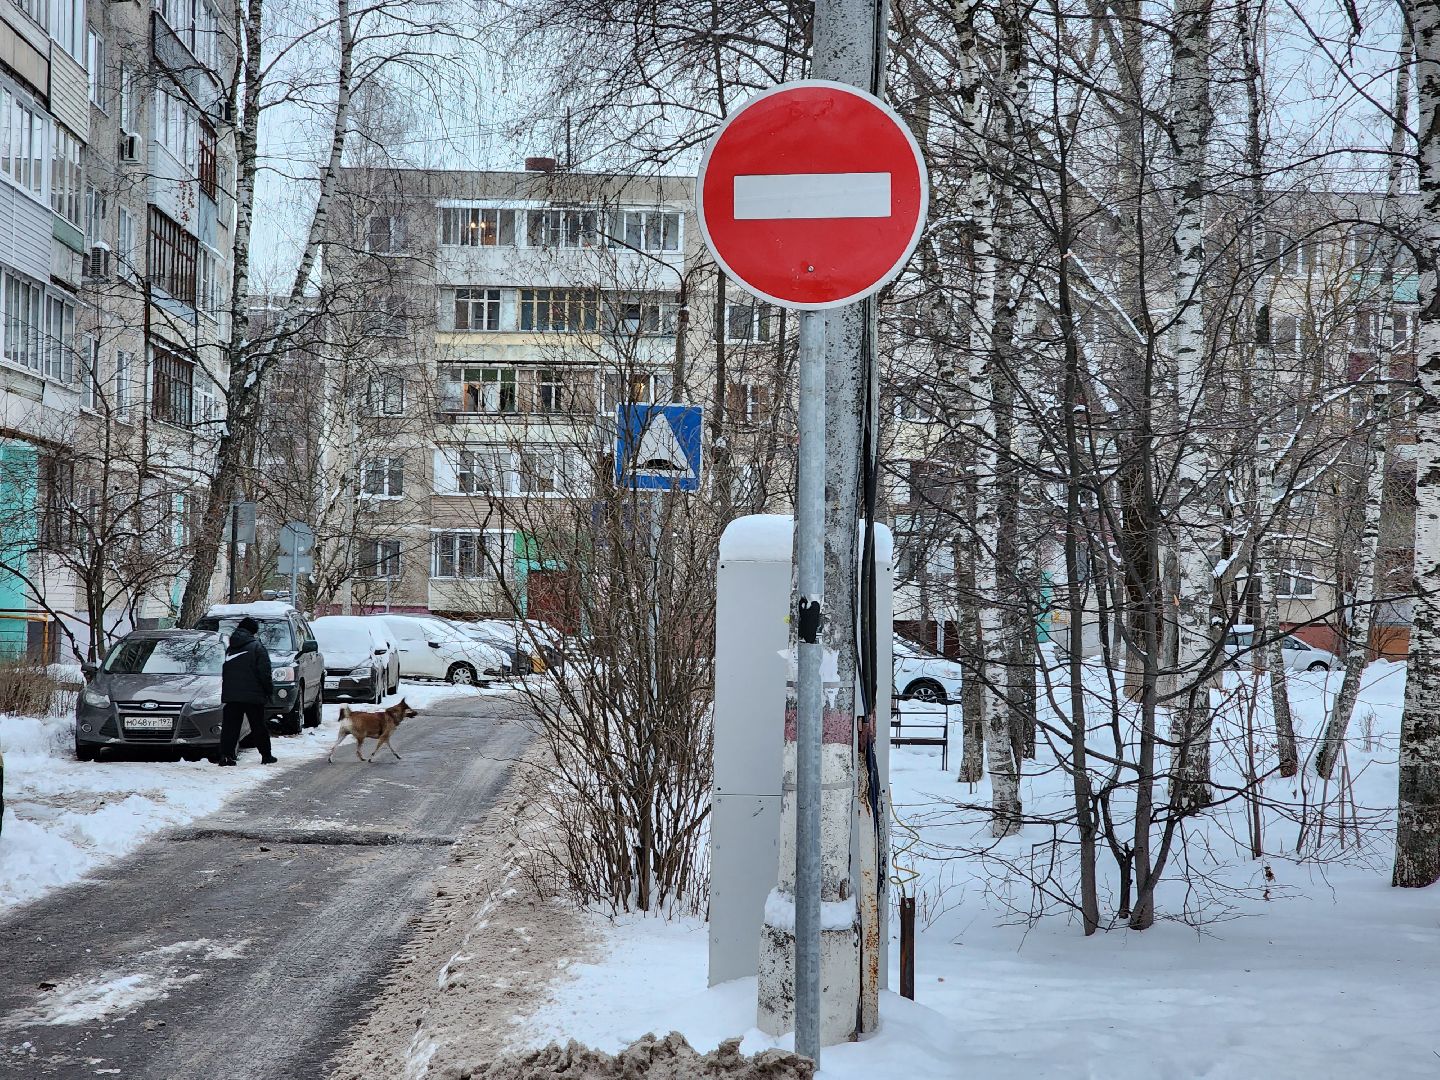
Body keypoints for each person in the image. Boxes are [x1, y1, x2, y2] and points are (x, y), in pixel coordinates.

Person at [219, 616, 277, 766]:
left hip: (232, 695)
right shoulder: (257, 647)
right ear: (253, 632)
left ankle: (226, 756)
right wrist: (269, 691)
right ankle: (266, 755)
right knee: (258, 726)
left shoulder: (230, 647)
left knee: (230, 727)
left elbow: (227, 672)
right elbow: (264, 673)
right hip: (253, 695)